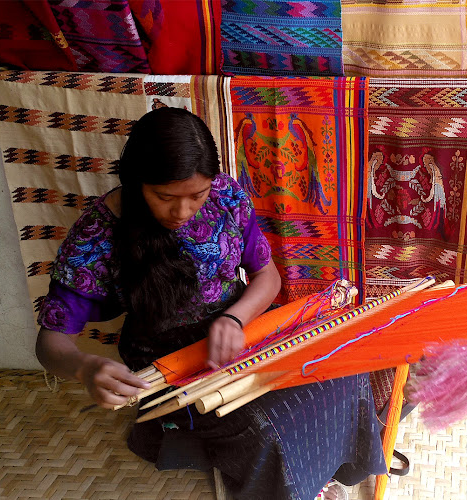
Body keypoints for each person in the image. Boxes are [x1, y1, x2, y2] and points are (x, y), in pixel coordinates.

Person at [35, 107, 386, 500]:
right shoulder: (98, 234)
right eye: (164, 196)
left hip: (246, 328)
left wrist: (234, 319)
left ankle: (331, 468)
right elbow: (51, 342)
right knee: (263, 425)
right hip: (169, 357)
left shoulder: (226, 196)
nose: (181, 212)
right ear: (137, 182)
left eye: (196, 196)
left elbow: (267, 277)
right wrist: (83, 367)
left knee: (339, 372)